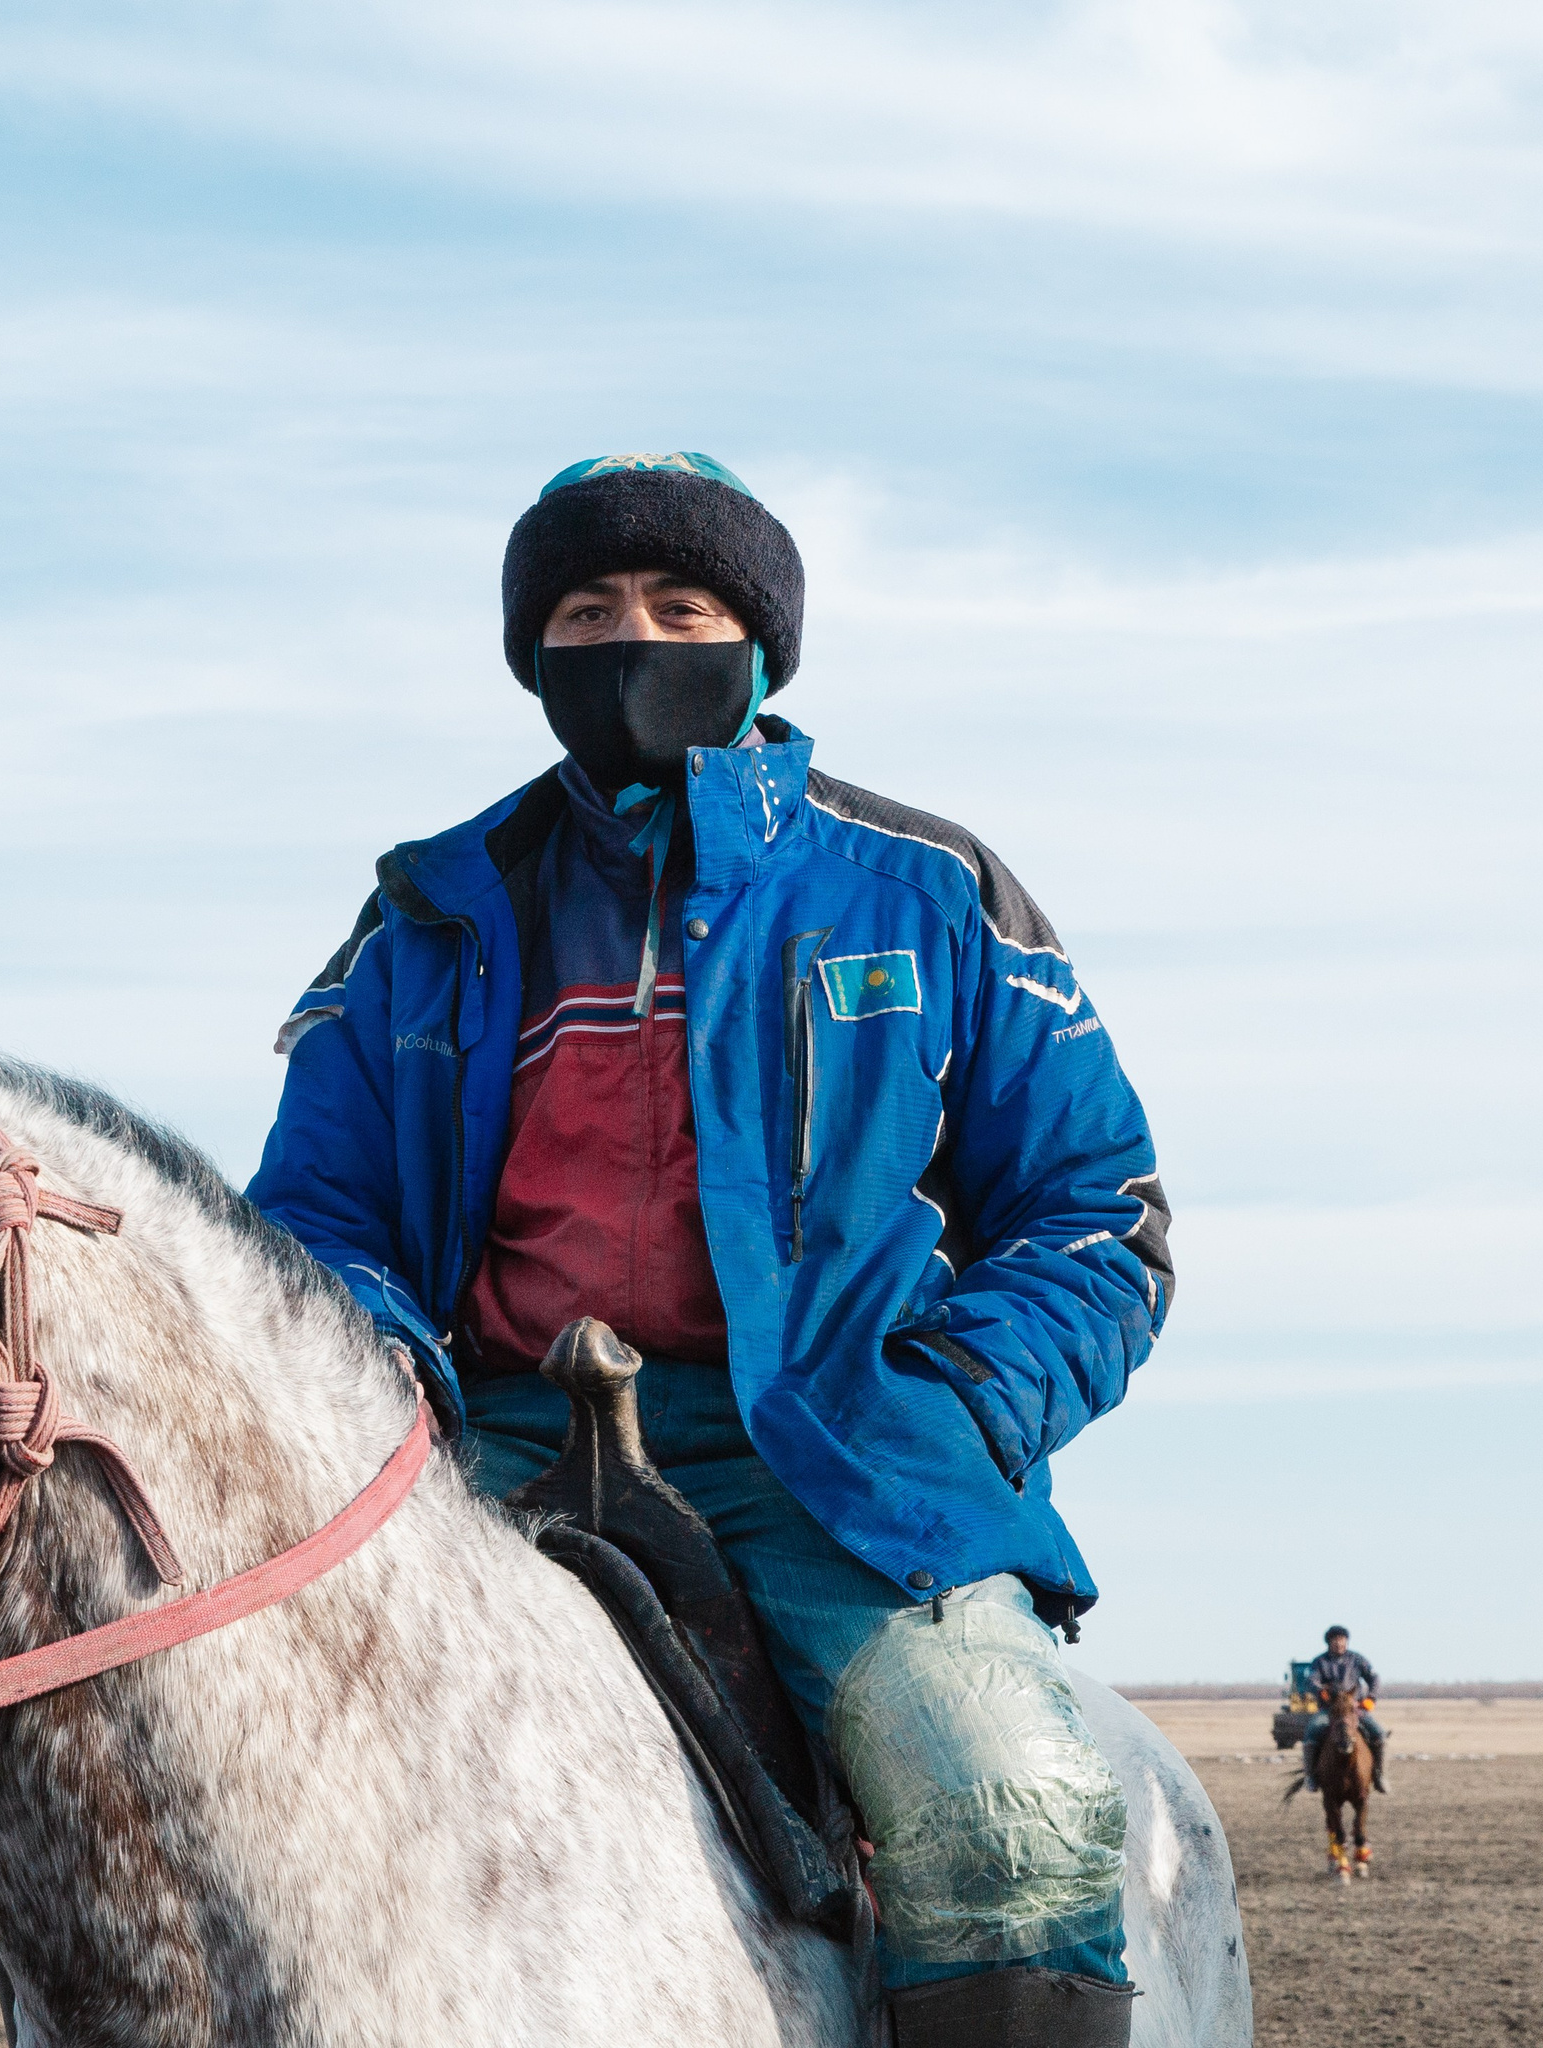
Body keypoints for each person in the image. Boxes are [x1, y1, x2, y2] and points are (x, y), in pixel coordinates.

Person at [250, 451, 1173, 2046]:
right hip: (489, 1441)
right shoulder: (425, 918)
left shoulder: (926, 890)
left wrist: (951, 1398)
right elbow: (318, 1221)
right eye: (588, 610)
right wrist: (380, 1368)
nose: (634, 640)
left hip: (839, 1454)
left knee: (1005, 1818)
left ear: (761, 641)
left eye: (683, 604)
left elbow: (1104, 1216)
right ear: (534, 656)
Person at [1302, 1625, 1390, 1792]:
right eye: (1335, 1640)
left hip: (1355, 1709)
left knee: (1379, 1734)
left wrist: (1371, 1698)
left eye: (1342, 1640)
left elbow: (1374, 1678)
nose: (1339, 1643)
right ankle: (1311, 1777)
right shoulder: (1320, 1662)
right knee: (1311, 1734)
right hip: (1329, 1710)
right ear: (1329, 1642)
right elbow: (1311, 1681)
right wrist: (1321, 1692)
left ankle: (1380, 1776)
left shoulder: (1357, 1660)